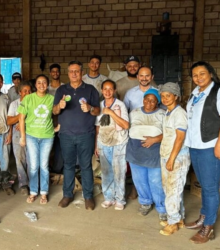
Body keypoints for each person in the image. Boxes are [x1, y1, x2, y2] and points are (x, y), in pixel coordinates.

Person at [53, 60, 100, 210]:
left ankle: (88, 196)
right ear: (68, 73)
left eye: (77, 71)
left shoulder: (90, 89)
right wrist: (58, 107)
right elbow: (54, 111)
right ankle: (67, 195)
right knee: (68, 166)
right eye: (71, 71)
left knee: (86, 166)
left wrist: (90, 108)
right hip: (66, 134)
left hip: (86, 134)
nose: (74, 74)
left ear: (81, 73)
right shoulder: (61, 90)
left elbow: (98, 110)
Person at [184, 61, 220, 244]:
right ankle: (203, 218)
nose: (198, 78)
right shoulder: (196, 93)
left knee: (211, 188)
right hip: (195, 145)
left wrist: (219, 144)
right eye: (195, 75)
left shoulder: (217, 92)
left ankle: (209, 226)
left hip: (209, 146)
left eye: (202, 74)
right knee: (205, 186)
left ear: (211, 74)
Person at [125, 89, 166, 221]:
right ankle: (145, 203)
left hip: (154, 152)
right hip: (135, 152)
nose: (149, 102)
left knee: (156, 181)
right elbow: (126, 127)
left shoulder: (162, 114)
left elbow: (170, 133)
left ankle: (161, 207)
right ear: (143, 100)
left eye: (153, 100)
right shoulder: (134, 113)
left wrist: (154, 139)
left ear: (157, 102)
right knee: (139, 180)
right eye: (147, 99)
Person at [158, 82, 190, 236]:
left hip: (177, 157)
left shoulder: (179, 113)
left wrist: (171, 159)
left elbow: (180, 138)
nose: (165, 98)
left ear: (176, 96)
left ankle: (173, 223)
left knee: (172, 190)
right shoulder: (168, 112)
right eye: (163, 96)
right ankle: (179, 218)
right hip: (166, 155)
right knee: (171, 189)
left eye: (168, 95)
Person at [18, 75, 54, 204]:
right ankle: (33, 191)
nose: (42, 85)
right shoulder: (28, 98)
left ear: (48, 84)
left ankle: (44, 192)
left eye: (44, 82)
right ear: (36, 85)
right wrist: (22, 137)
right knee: (33, 166)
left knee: (44, 166)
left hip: (47, 137)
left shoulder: (51, 99)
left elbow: (56, 112)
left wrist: (56, 128)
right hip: (31, 136)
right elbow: (21, 118)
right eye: (39, 82)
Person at [95, 80, 129, 211]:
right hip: (103, 142)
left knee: (119, 171)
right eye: (105, 89)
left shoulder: (120, 105)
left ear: (114, 90)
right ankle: (109, 197)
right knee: (106, 171)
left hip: (119, 143)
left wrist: (111, 113)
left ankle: (120, 199)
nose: (107, 92)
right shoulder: (100, 105)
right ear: (102, 90)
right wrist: (96, 145)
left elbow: (126, 125)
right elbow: (98, 128)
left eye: (110, 89)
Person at [7, 81, 32, 196]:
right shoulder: (14, 104)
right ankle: (23, 184)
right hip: (17, 135)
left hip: (32, 133)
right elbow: (9, 121)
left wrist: (24, 122)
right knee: (20, 159)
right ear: (20, 92)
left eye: (29, 91)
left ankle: (32, 183)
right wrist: (20, 117)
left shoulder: (34, 103)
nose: (27, 93)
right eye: (25, 91)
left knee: (31, 160)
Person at [48, 63, 65, 174]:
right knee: (48, 145)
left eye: (57, 71)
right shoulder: (46, 87)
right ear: (50, 73)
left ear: (60, 73)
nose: (55, 73)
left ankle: (58, 169)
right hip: (48, 120)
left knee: (60, 145)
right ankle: (48, 168)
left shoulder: (64, 87)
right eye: (53, 71)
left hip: (61, 120)